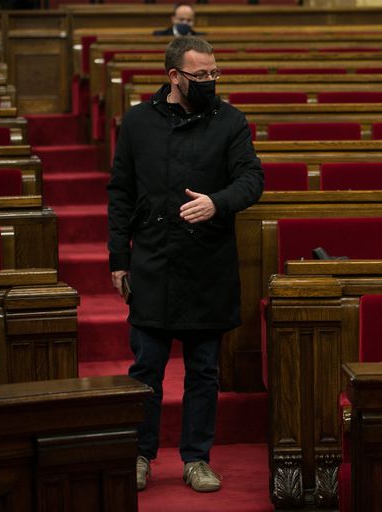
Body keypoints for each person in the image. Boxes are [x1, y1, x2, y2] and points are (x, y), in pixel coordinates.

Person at [107, 36, 263, 493]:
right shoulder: (137, 122)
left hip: (207, 263)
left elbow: (252, 179)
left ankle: (197, 459)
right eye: (201, 76)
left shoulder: (230, 121)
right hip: (153, 260)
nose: (210, 82)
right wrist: (119, 257)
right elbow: (120, 193)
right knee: (147, 369)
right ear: (174, 76)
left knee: (203, 371)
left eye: (215, 74)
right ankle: (140, 454)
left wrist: (218, 202)